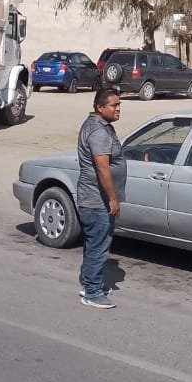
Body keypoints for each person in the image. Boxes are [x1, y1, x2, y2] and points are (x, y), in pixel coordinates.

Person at [76, 88, 125, 309]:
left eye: (119, 105)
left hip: (94, 198)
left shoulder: (100, 127)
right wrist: (112, 198)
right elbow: (102, 168)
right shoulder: (98, 132)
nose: (118, 109)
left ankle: (88, 283)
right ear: (100, 107)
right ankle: (93, 293)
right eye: (114, 105)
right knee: (99, 245)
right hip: (97, 200)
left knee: (93, 243)